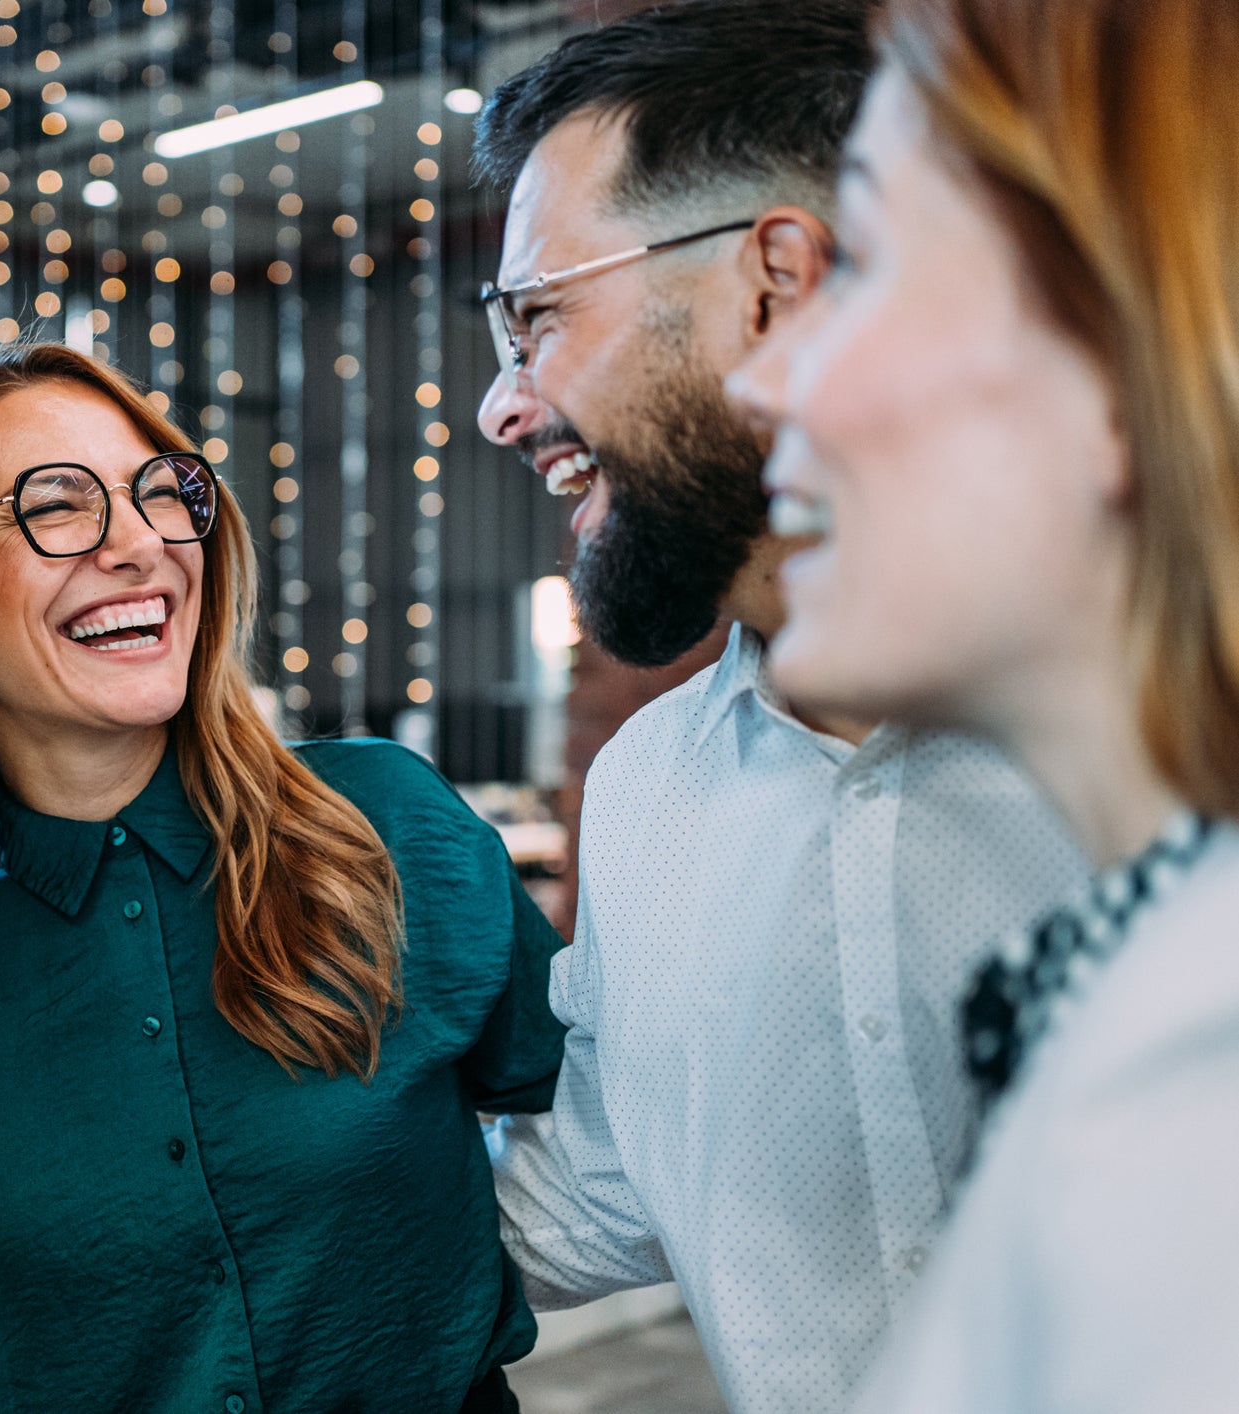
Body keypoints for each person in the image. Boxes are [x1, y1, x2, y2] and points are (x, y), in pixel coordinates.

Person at [0, 342, 567, 1414]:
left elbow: (617, 1118)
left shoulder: (384, 827)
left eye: (160, 492)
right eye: (56, 506)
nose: (143, 543)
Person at [467, 3, 1087, 1409]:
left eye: (538, 317)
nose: (501, 408)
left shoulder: (1172, 714)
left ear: (778, 282)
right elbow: (590, 1192)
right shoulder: (647, 792)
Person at [726, 0, 1239, 1407]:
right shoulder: (1145, 999)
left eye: (863, 261)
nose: (760, 376)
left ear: (1132, 344)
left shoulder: (1194, 1098)